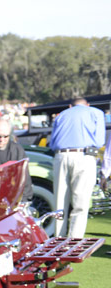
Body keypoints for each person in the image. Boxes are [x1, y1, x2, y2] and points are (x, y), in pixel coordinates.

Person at [49, 97, 104, 237]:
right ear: (88, 105)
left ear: (70, 106)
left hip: (61, 156)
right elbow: (99, 141)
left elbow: (53, 142)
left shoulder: (61, 115)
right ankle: (74, 240)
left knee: (60, 201)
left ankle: (58, 239)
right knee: (81, 202)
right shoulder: (96, 113)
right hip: (84, 156)